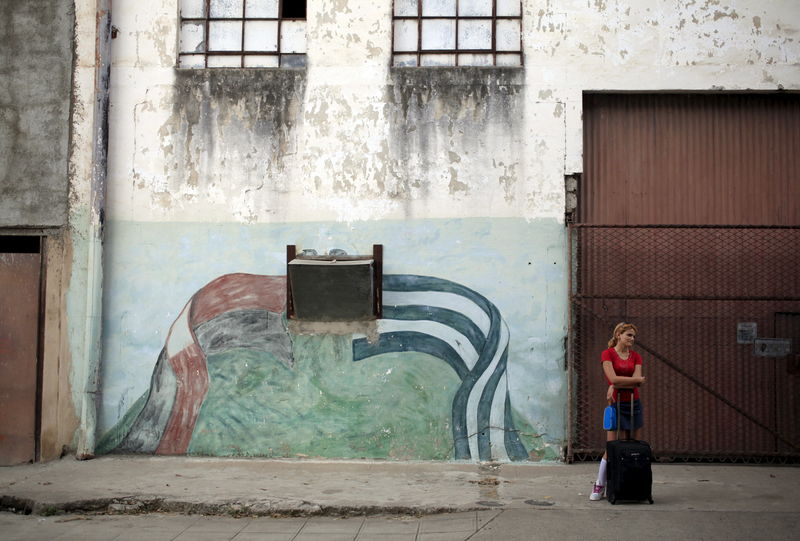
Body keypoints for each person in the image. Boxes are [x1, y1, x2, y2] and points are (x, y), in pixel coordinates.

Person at [590, 322, 646, 501]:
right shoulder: (608, 354)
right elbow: (615, 377)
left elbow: (639, 381)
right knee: (611, 447)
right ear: (619, 335)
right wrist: (616, 382)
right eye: (629, 335)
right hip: (616, 403)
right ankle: (600, 484)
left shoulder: (636, 356)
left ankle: (627, 484)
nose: (632, 339)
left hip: (633, 402)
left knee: (632, 444)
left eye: (634, 336)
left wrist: (615, 384)